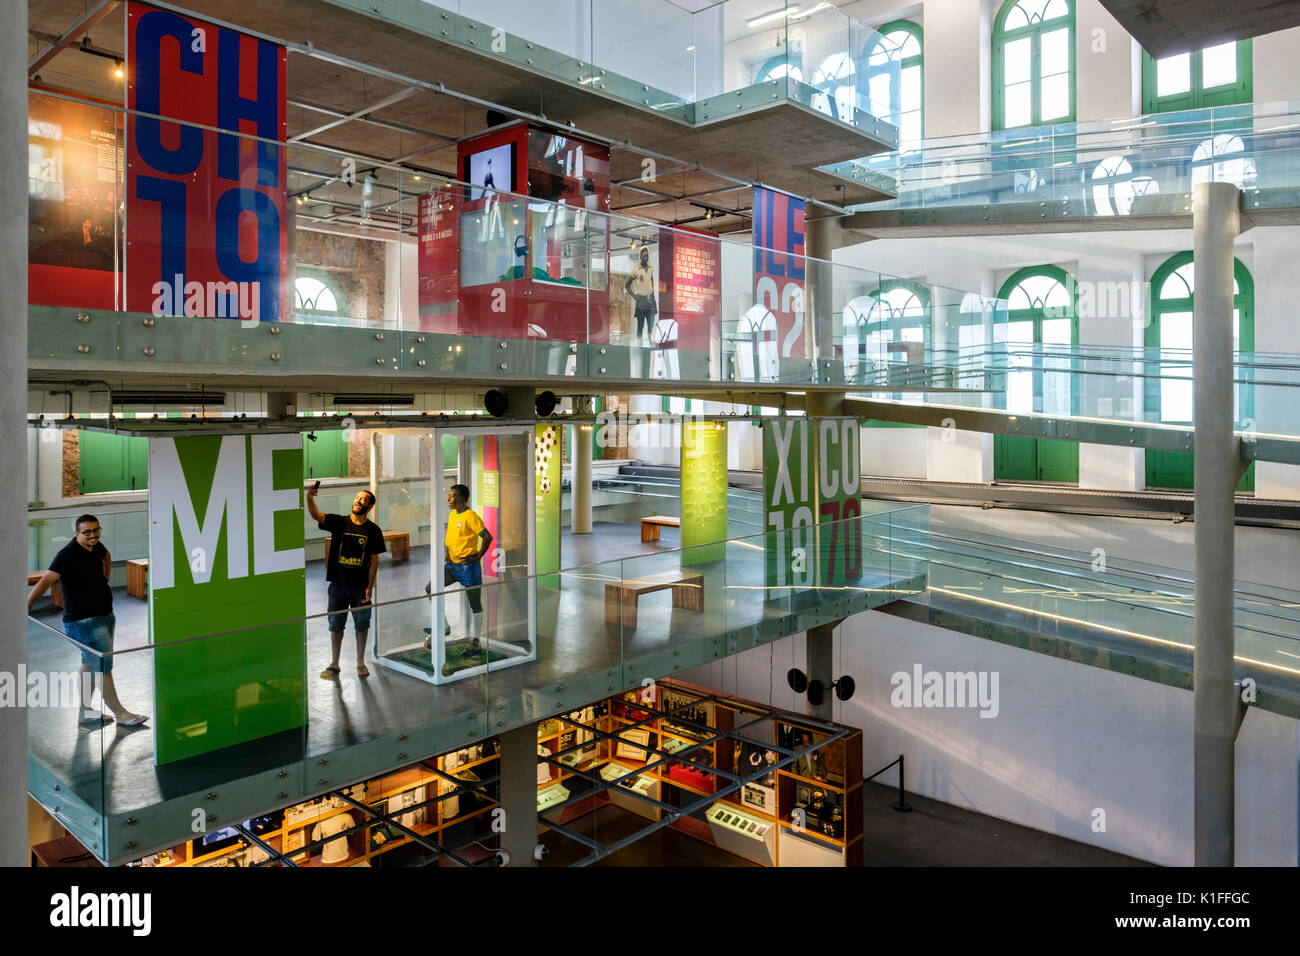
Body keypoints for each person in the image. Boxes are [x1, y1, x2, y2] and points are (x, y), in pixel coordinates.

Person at [27, 515, 147, 728]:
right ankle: (120, 714)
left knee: (89, 664)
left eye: (96, 530)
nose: (93, 535)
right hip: (83, 622)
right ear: (76, 534)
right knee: (102, 667)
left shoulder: (97, 546)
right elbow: (46, 580)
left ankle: (85, 713)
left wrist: (104, 578)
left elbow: (106, 556)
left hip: (104, 615)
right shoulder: (67, 555)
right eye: (87, 532)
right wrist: (26, 605)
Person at [307, 487, 386, 680]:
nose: (358, 500)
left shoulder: (373, 530)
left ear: (370, 506)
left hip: (360, 587)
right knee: (336, 624)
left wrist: (370, 586)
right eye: (357, 497)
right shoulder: (339, 522)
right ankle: (334, 663)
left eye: (363, 499)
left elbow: (374, 560)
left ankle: (360, 662)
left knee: (362, 624)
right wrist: (309, 497)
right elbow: (317, 515)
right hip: (338, 585)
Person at [427, 483, 493, 653]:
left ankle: (476, 641)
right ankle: (444, 626)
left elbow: (487, 537)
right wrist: (448, 554)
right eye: (449, 496)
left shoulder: (471, 516)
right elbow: (450, 539)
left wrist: (478, 555)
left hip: (468, 567)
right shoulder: (453, 515)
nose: (449, 499)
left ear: (462, 498)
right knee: (431, 588)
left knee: (475, 603)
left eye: (452, 496)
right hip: (452, 565)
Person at [624, 245, 656, 344]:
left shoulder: (651, 268)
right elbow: (627, 285)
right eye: (643, 256)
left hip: (650, 300)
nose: (645, 258)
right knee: (639, 330)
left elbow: (651, 280)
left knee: (651, 328)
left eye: (647, 256)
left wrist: (652, 293)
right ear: (640, 257)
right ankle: (639, 348)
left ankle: (651, 348)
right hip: (641, 301)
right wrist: (635, 296)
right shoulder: (636, 270)